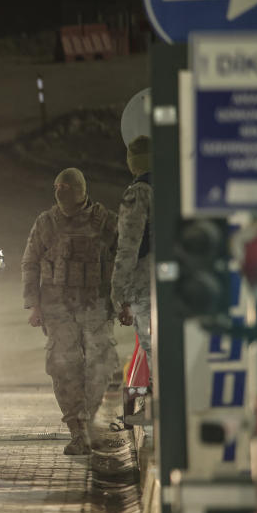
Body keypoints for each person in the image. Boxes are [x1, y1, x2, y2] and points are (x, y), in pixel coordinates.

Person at [21, 167, 119, 455]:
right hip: (58, 307)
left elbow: (124, 260)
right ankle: (78, 430)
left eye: (67, 188)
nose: (61, 193)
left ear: (81, 191)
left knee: (100, 367)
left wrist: (124, 302)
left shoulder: (105, 223)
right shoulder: (47, 223)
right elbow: (30, 262)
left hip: (96, 305)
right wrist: (34, 305)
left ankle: (92, 427)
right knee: (64, 368)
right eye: (58, 188)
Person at [111, 136, 152, 365]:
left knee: (156, 354)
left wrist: (119, 297)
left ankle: (164, 399)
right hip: (181, 286)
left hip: (147, 288)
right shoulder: (179, 187)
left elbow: (128, 248)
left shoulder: (138, 193)